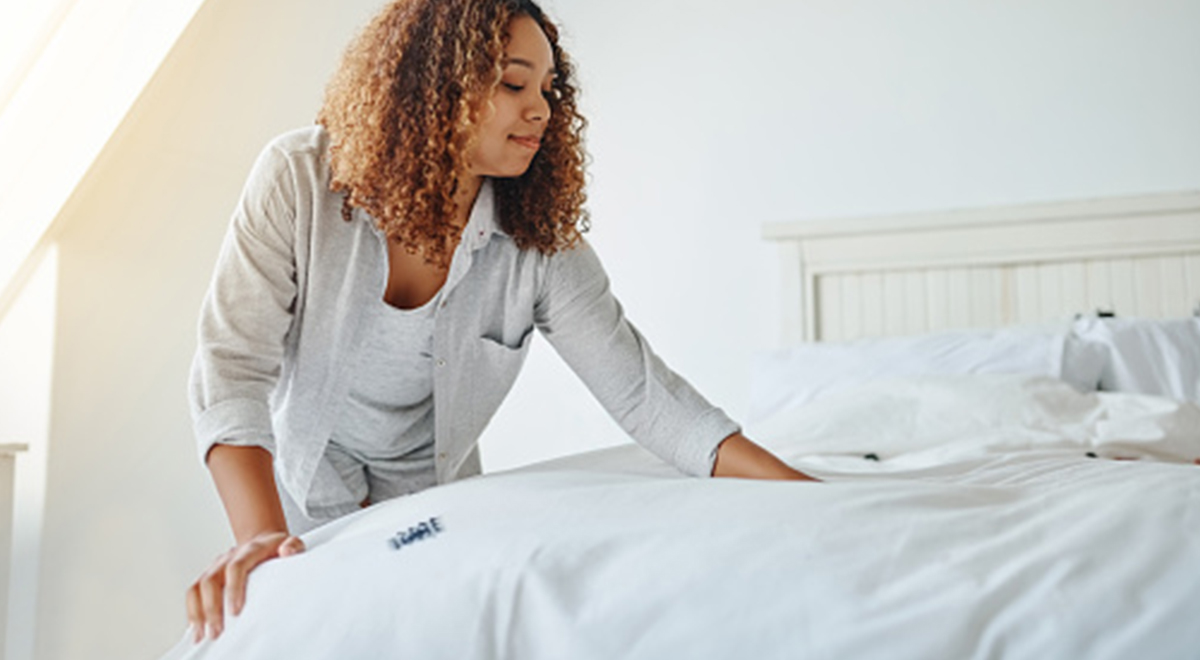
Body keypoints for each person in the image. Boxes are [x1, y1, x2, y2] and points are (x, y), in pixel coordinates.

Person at [184, 0, 815, 643]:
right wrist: (262, 540)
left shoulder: (537, 240)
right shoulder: (299, 180)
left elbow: (646, 398)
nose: (540, 109)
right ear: (434, 83)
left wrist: (815, 498)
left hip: (437, 518)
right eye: (514, 83)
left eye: (548, 89)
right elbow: (231, 369)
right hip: (299, 513)